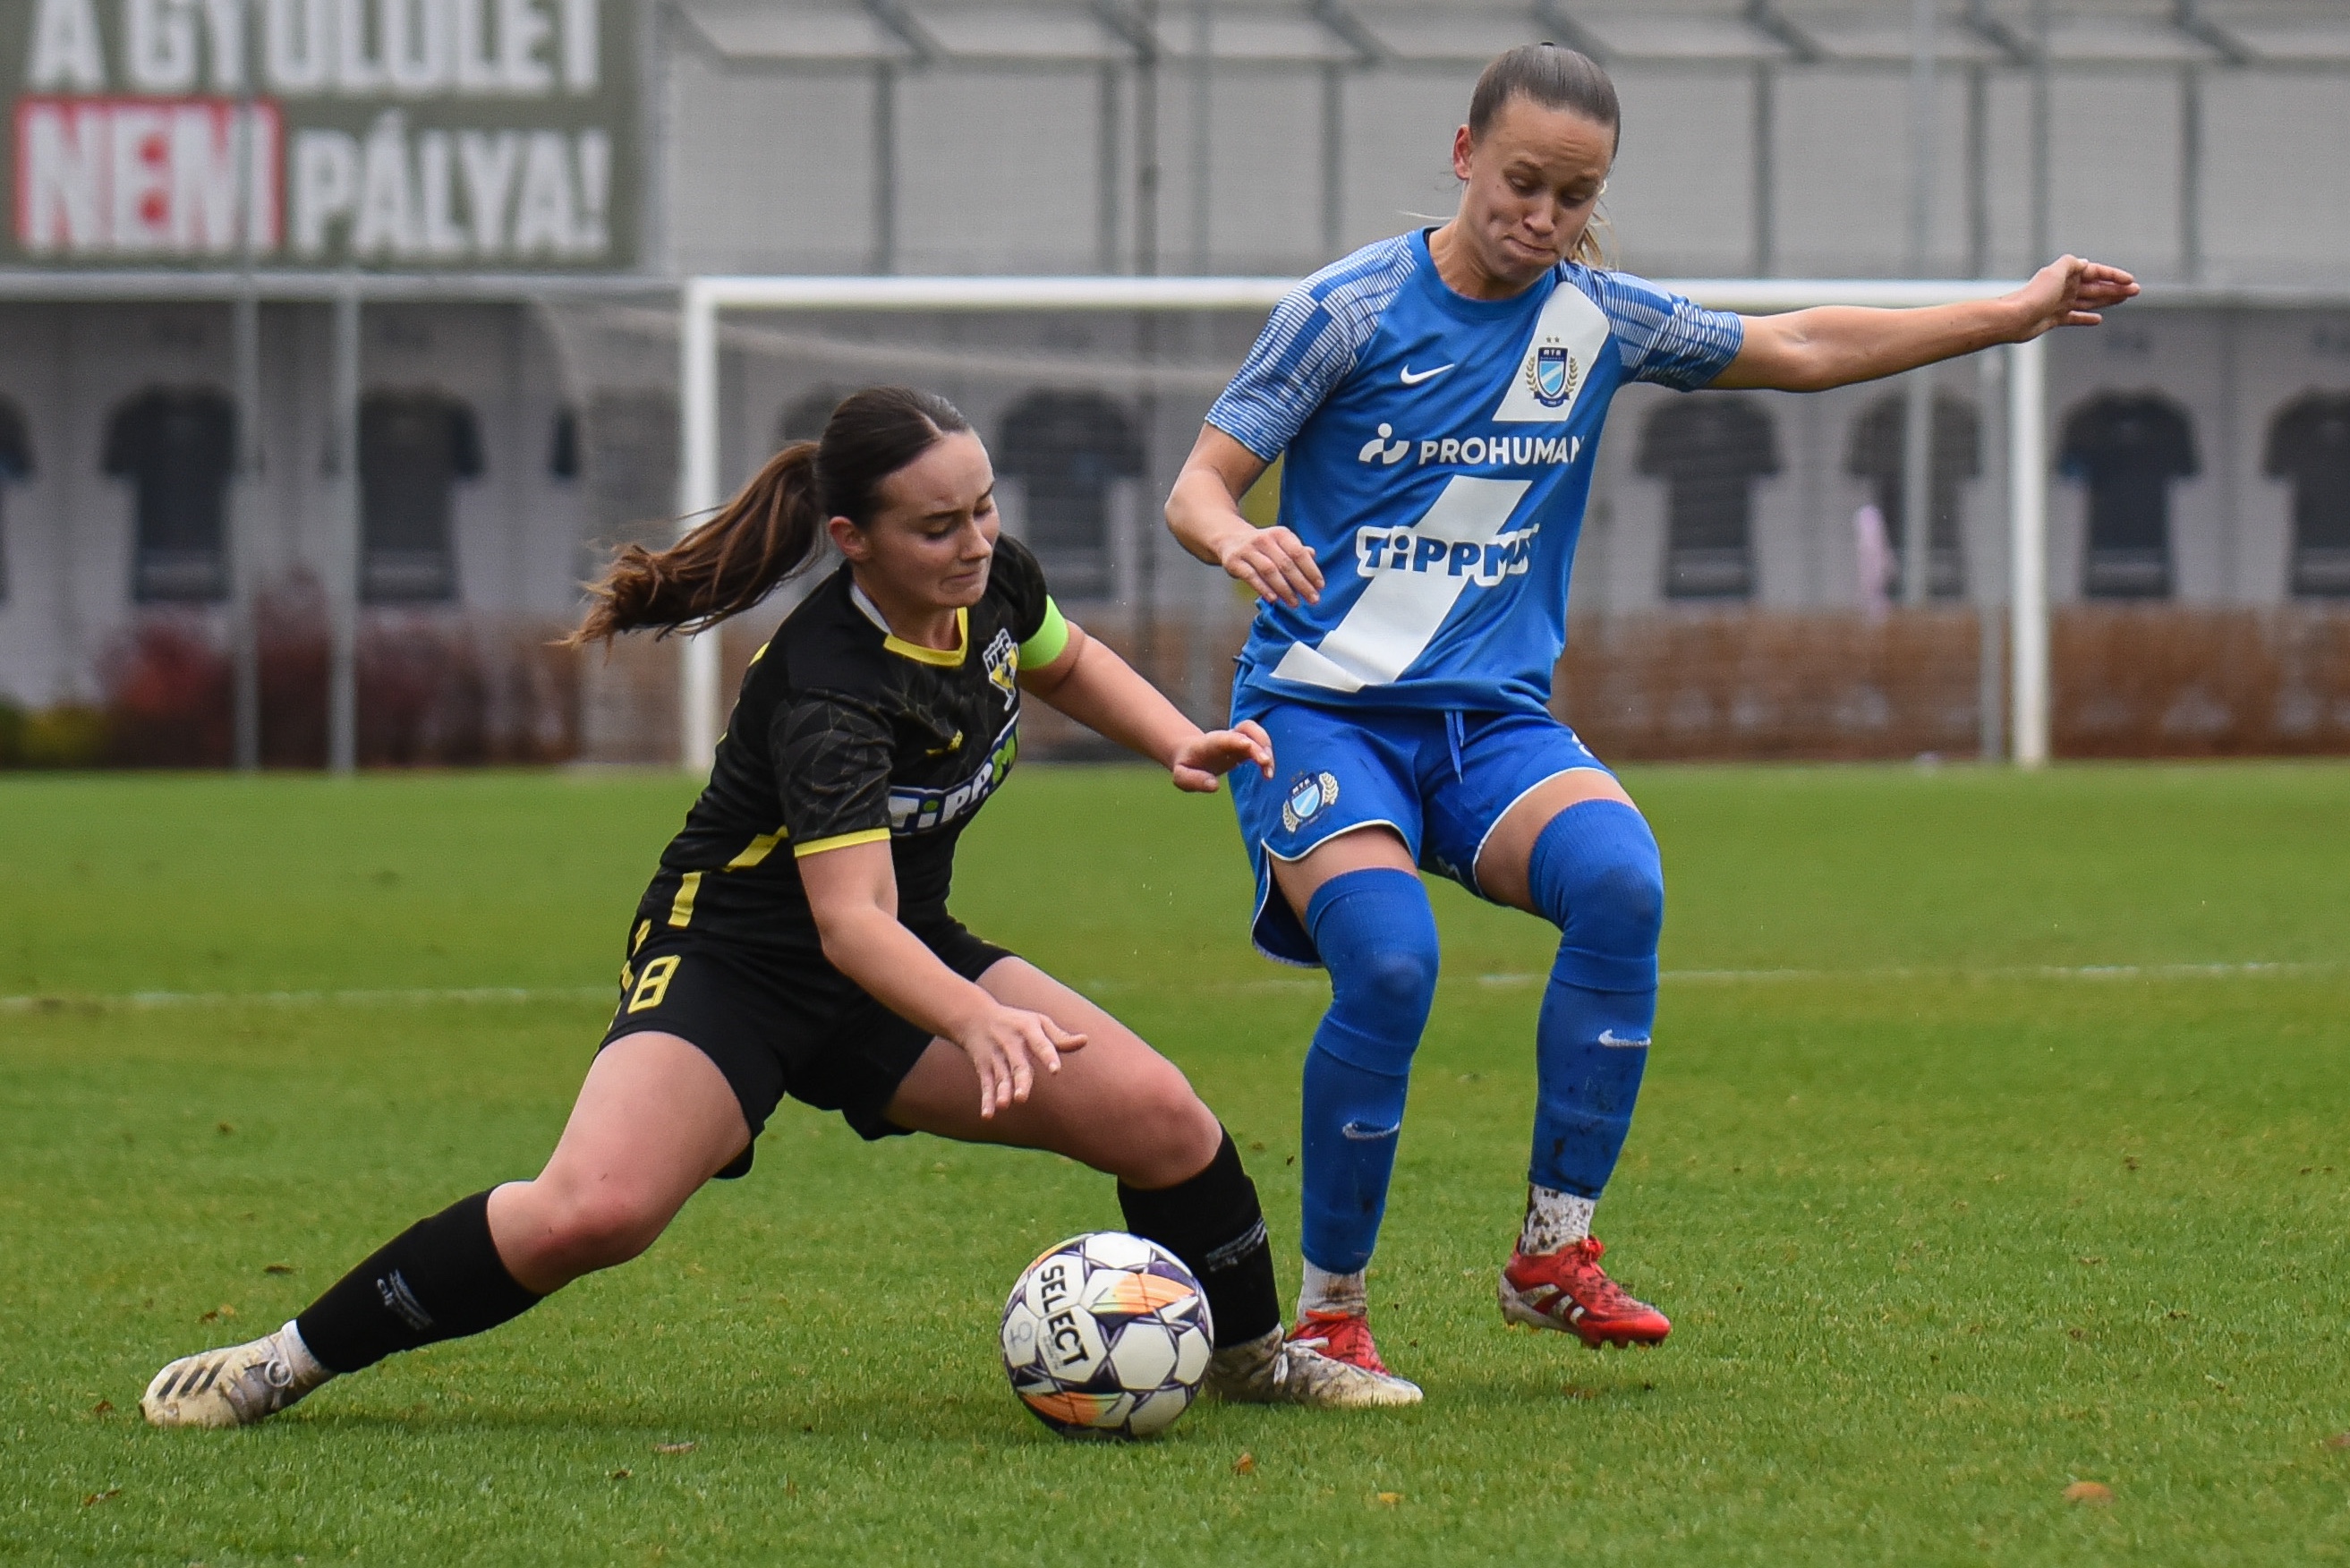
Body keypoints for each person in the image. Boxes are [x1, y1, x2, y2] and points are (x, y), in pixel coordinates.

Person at [142, 388, 1421, 1428]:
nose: (974, 543)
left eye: (983, 510)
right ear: (853, 541)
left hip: (898, 954)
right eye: (938, 527)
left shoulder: (991, 586)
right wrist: (975, 1024)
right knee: (595, 1211)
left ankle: (1257, 1358)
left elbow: (1063, 658)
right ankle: (283, 1361)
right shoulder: (827, 690)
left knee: (1160, 1117)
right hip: (735, 963)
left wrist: (1175, 738)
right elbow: (846, 926)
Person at [1162, 43, 2138, 1391]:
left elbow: (1799, 346)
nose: (1543, 218)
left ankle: (1551, 1252)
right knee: (1388, 967)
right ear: (1461, 155)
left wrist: (2008, 313)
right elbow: (1198, 485)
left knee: (1621, 882)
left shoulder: (1595, 322)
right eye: (1520, 183)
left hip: (1488, 723)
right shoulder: (1346, 311)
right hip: (1322, 716)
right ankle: (1328, 1314)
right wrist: (1234, 544)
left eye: (1573, 195)